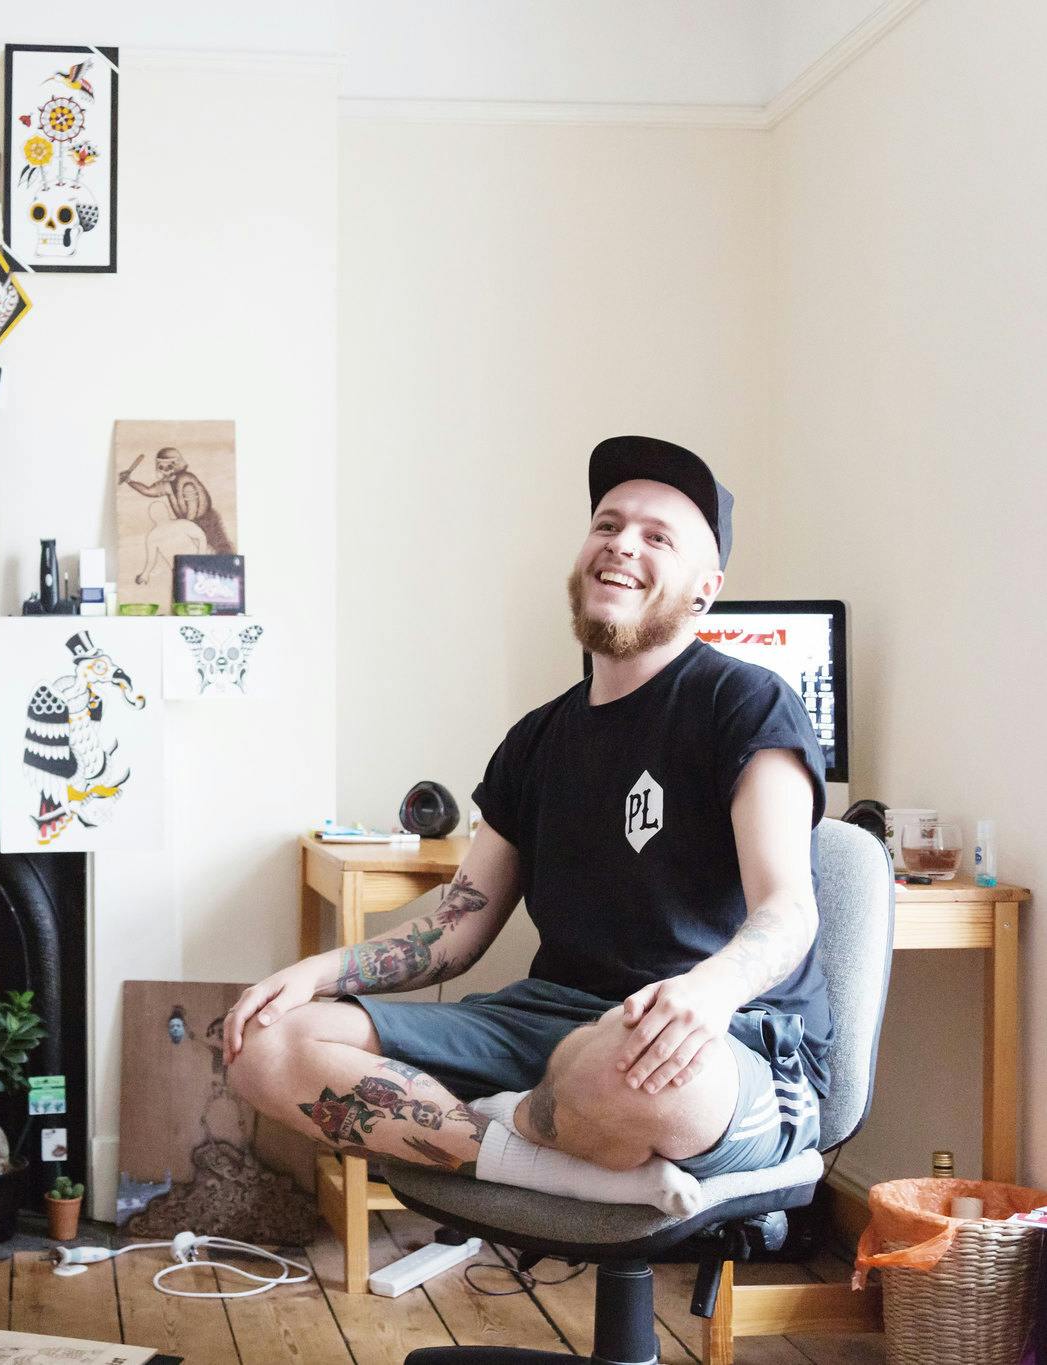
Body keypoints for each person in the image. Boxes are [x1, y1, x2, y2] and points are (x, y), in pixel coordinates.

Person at [226, 436, 829, 1213]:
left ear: (703, 590)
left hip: (713, 1041)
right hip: (543, 1022)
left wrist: (706, 993)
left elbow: (788, 908)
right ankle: (543, 1153)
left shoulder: (746, 703)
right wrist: (313, 973)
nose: (621, 544)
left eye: (656, 536)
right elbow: (452, 930)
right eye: (607, 525)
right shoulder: (535, 740)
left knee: (617, 1071)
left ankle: (508, 1126)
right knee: (263, 1046)